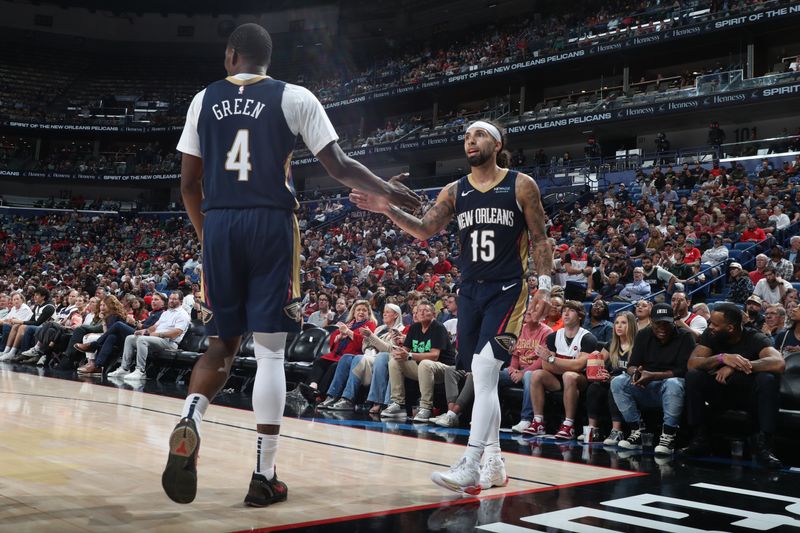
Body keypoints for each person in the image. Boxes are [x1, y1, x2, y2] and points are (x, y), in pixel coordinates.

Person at [162, 23, 420, 507]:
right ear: (267, 59)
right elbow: (339, 165)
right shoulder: (294, 96)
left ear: (232, 55)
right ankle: (264, 476)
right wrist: (387, 188)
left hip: (219, 225)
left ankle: (192, 417)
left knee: (220, 345)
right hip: (271, 225)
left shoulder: (203, 100)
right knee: (271, 353)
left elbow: (188, 185)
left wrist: (207, 236)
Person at [350, 118, 552, 495]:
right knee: (482, 375)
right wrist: (386, 208)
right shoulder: (455, 190)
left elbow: (540, 239)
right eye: (465, 137)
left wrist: (545, 287)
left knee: (485, 368)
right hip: (469, 292)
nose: (469, 141)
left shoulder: (521, 184)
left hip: (508, 290)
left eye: (477, 135)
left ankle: (471, 462)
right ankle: (495, 462)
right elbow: (424, 228)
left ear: (496, 142)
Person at [683, 303, 785, 468]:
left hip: (748, 398)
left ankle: (764, 445)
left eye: (715, 324)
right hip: (720, 393)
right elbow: (692, 364)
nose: (710, 327)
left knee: (768, 379)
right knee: (694, 376)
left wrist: (737, 366)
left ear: (730, 328)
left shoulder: (755, 337)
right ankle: (699, 438)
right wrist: (721, 358)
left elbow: (778, 363)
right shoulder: (711, 335)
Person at [610, 303, 695, 455]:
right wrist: (636, 373)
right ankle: (637, 432)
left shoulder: (685, 337)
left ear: (673, 321)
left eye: (666, 323)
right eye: (658, 323)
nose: (662, 327)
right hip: (645, 384)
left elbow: (684, 370)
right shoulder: (643, 334)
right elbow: (631, 365)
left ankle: (669, 436)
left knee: (674, 383)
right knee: (618, 381)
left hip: (670, 386)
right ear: (651, 321)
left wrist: (654, 376)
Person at [524, 300, 598, 439]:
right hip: (557, 379)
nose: (566, 313)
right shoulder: (553, 336)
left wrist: (553, 360)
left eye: (571, 311)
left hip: (580, 381)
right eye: (564, 311)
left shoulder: (588, 338)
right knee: (536, 374)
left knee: (569, 375)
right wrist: (562, 364)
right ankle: (538, 421)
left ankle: (569, 425)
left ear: (580, 316)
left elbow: (578, 366)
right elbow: (546, 366)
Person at [380, 300, 456, 422]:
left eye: (425, 310)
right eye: (419, 311)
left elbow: (434, 356)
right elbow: (405, 351)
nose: (421, 313)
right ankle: (398, 403)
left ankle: (426, 407)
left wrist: (409, 355)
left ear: (434, 314)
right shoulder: (414, 328)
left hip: (444, 370)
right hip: (422, 368)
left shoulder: (438, 328)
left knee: (425, 363)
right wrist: (397, 350)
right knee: (395, 360)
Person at [585, 311, 637, 446]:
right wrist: (601, 373)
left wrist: (612, 378)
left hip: (630, 383)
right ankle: (592, 430)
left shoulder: (637, 345)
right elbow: (598, 366)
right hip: (612, 380)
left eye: (623, 323)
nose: (619, 326)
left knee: (615, 385)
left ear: (631, 325)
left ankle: (617, 431)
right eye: (617, 323)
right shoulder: (611, 344)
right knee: (594, 387)